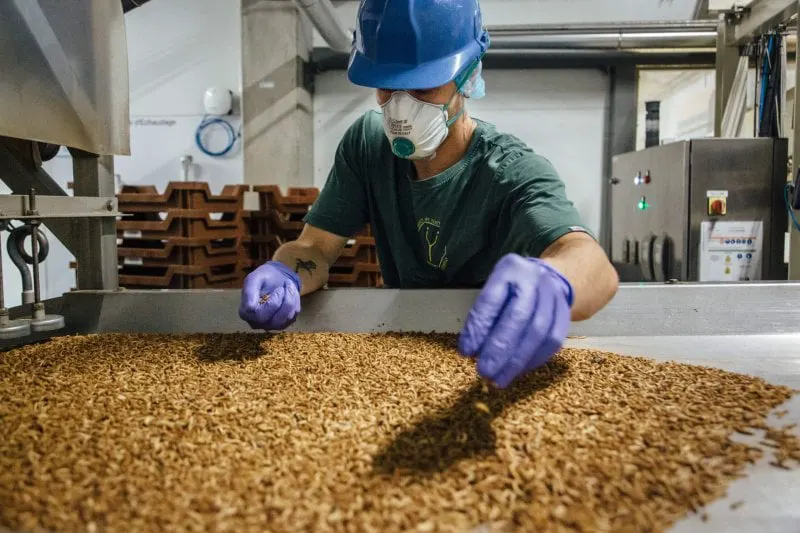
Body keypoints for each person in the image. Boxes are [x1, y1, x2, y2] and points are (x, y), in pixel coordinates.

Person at [239, 0, 619, 388]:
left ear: (468, 76)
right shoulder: (368, 145)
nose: (401, 108)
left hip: (493, 352)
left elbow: (591, 262)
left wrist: (556, 282)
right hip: (402, 351)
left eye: (423, 86)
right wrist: (287, 270)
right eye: (387, 87)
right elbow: (316, 248)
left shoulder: (509, 169)